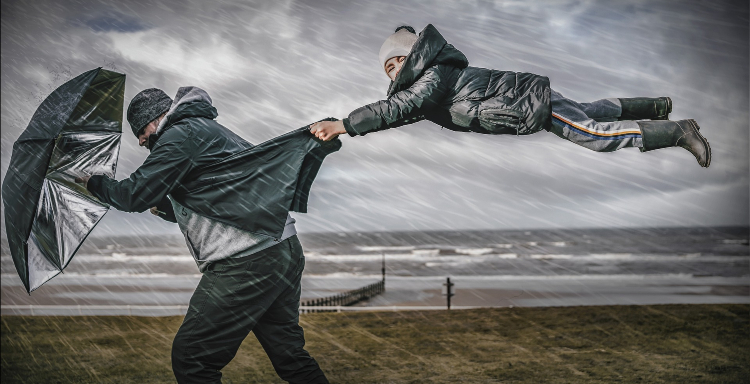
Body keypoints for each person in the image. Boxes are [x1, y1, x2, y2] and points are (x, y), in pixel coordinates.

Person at [77, 87, 331, 384]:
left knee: (192, 358)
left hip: (245, 260)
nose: (141, 140)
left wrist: (94, 182)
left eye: (141, 131)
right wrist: (163, 207)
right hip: (282, 250)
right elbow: (216, 196)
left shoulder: (180, 135)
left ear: (153, 118)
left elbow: (133, 195)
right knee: (290, 357)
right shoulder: (204, 130)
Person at [310, 24, 711, 168]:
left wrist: (344, 124)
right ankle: (656, 107)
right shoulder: (433, 81)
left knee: (596, 137)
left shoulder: (430, 77)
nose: (392, 72)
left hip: (526, 104)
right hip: (528, 97)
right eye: (387, 69)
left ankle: (677, 132)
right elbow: (403, 112)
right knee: (590, 112)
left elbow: (399, 107)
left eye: (394, 63)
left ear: (411, 56)